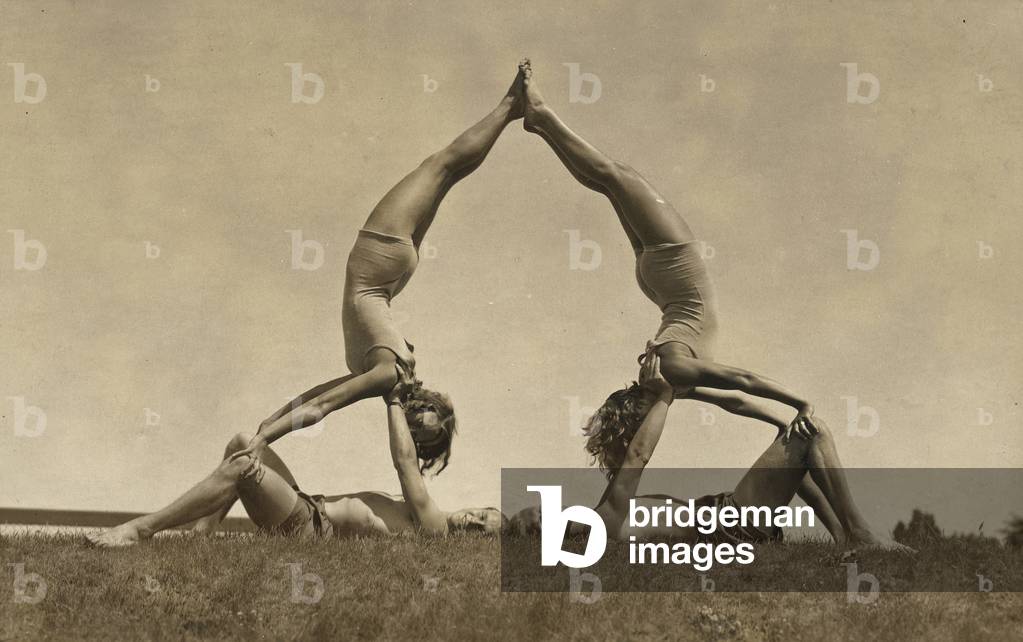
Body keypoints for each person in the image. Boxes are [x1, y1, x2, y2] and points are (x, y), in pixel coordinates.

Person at [518, 62, 821, 477]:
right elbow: (735, 394)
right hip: (662, 278)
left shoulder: (671, 376)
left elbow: (742, 380)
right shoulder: (668, 379)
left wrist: (797, 402)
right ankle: (539, 122)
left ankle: (542, 119)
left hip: (675, 270)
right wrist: (783, 417)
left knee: (616, 178)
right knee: (612, 180)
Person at [235, 64, 532, 474]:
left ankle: (511, 108)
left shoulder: (389, 377)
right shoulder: (387, 376)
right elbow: (321, 402)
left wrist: (268, 426)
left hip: (387, 268)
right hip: (379, 266)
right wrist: (268, 431)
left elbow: (320, 398)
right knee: (443, 168)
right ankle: (510, 108)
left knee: (445, 169)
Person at [511, 355, 911, 550]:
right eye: (542, 518)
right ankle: (858, 533)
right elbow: (637, 457)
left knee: (798, 443)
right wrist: (665, 398)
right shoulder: (603, 520)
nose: (553, 510)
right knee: (812, 435)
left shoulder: (606, 513)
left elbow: (731, 399)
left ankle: (843, 535)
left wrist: (777, 421)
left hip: (729, 520)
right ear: (545, 537)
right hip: (730, 525)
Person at [87, 369, 506, 547]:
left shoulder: (435, 530)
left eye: (483, 530)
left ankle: (142, 530)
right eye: (484, 513)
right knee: (243, 442)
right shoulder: (426, 516)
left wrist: (393, 399)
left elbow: (404, 464)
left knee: (243, 468)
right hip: (309, 506)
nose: (474, 521)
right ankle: (202, 537)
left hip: (308, 529)